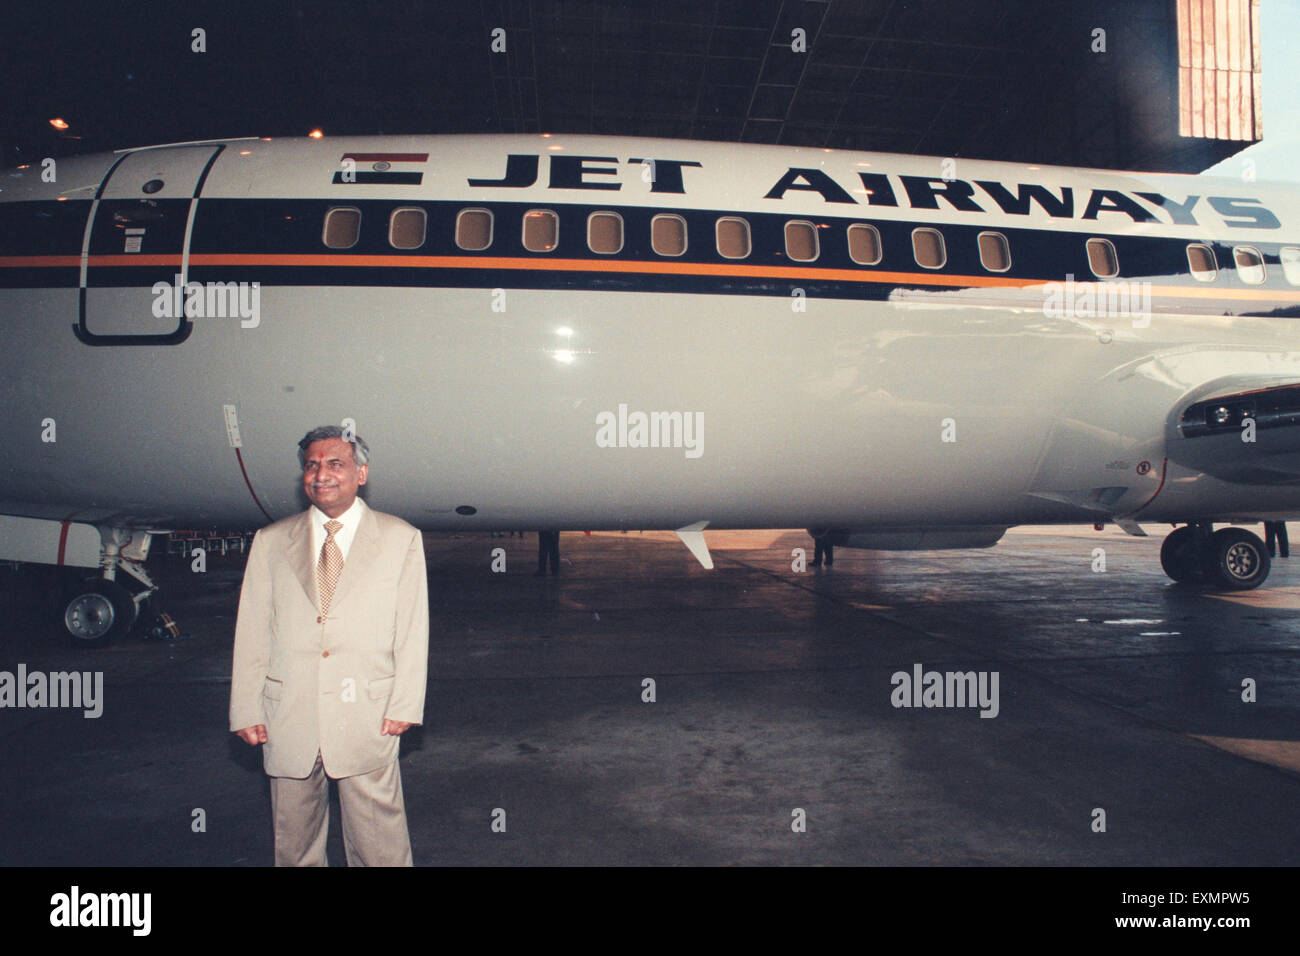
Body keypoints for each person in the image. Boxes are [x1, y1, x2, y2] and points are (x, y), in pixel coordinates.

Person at [230, 426, 428, 866]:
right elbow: (253, 631)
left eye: (335, 464)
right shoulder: (271, 542)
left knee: (381, 847)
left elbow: (412, 630)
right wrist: (245, 706)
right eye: (312, 465)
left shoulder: (400, 539)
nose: (321, 474)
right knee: (294, 847)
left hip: (369, 715)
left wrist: (405, 703)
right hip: (288, 715)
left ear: (361, 473)